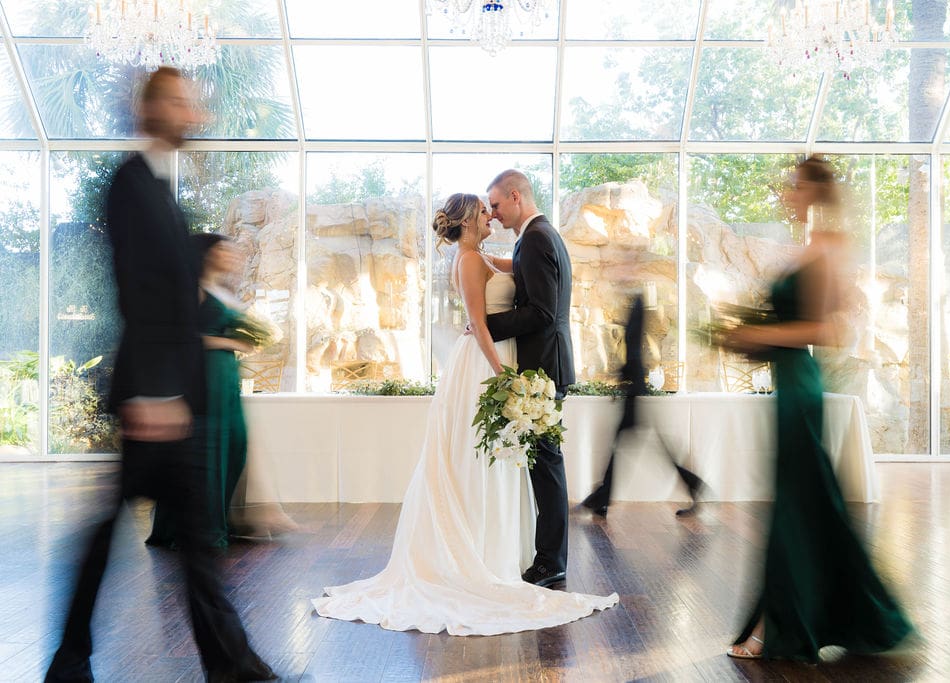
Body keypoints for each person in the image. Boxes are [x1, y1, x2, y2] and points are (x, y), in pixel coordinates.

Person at [44, 67, 275, 682]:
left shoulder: (159, 185)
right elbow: (140, 293)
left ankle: (78, 659)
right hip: (158, 398)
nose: (193, 114)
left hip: (174, 396)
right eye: (180, 103)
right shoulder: (131, 184)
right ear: (150, 110)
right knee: (139, 536)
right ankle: (72, 657)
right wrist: (156, 391)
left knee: (192, 542)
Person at [311, 193, 617, 635]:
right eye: (484, 210)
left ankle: (498, 550)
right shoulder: (469, 262)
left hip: (499, 356)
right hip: (484, 363)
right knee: (478, 459)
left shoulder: (484, 255)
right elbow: (479, 323)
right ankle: (478, 553)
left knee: (498, 460)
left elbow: (529, 273)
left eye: (494, 206)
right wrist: (503, 377)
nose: (490, 214)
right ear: (469, 220)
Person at [724, 156, 913, 662]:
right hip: (787, 384)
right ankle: (851, 614)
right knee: (809, 505)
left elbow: (825, 330)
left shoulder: (831, 247)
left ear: (814, 190)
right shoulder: (808, 246)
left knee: (795, 505)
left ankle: (775, 628)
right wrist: (748, 338)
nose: (787, 191)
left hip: (801, 389)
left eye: (794, 184)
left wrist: (757, 333)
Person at [147, 234, 295, 548]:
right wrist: (230, 342)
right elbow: (183, 339)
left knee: (234, 445)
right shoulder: (194, 290)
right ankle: (198, 529)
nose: (231, 255)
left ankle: (222, 519)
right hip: (206, 376)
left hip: (226, 377)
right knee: (211, 449)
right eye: (223, 250)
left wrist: (248, 342)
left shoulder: (223, 291)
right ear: (206, 255)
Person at [484, 169, 573, 588]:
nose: (493, 214)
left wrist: (485, 324)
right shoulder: (538, 235)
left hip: (545, 367)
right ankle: (549, 557)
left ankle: (551, 561)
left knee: (547, 466)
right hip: (547, 363)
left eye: (497, 205)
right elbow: (523, 274)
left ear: (515, 196)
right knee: (544, 463)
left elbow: (540, 311)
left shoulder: (536, 238)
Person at [580, 293, 705, 517]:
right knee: (647, 447)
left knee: (631, 446)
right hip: (635, 391)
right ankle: (601, 498)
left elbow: (635, 350)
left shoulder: (636, 302)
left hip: (635, 393)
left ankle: (601, 498)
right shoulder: (635, 302)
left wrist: (624, 375)